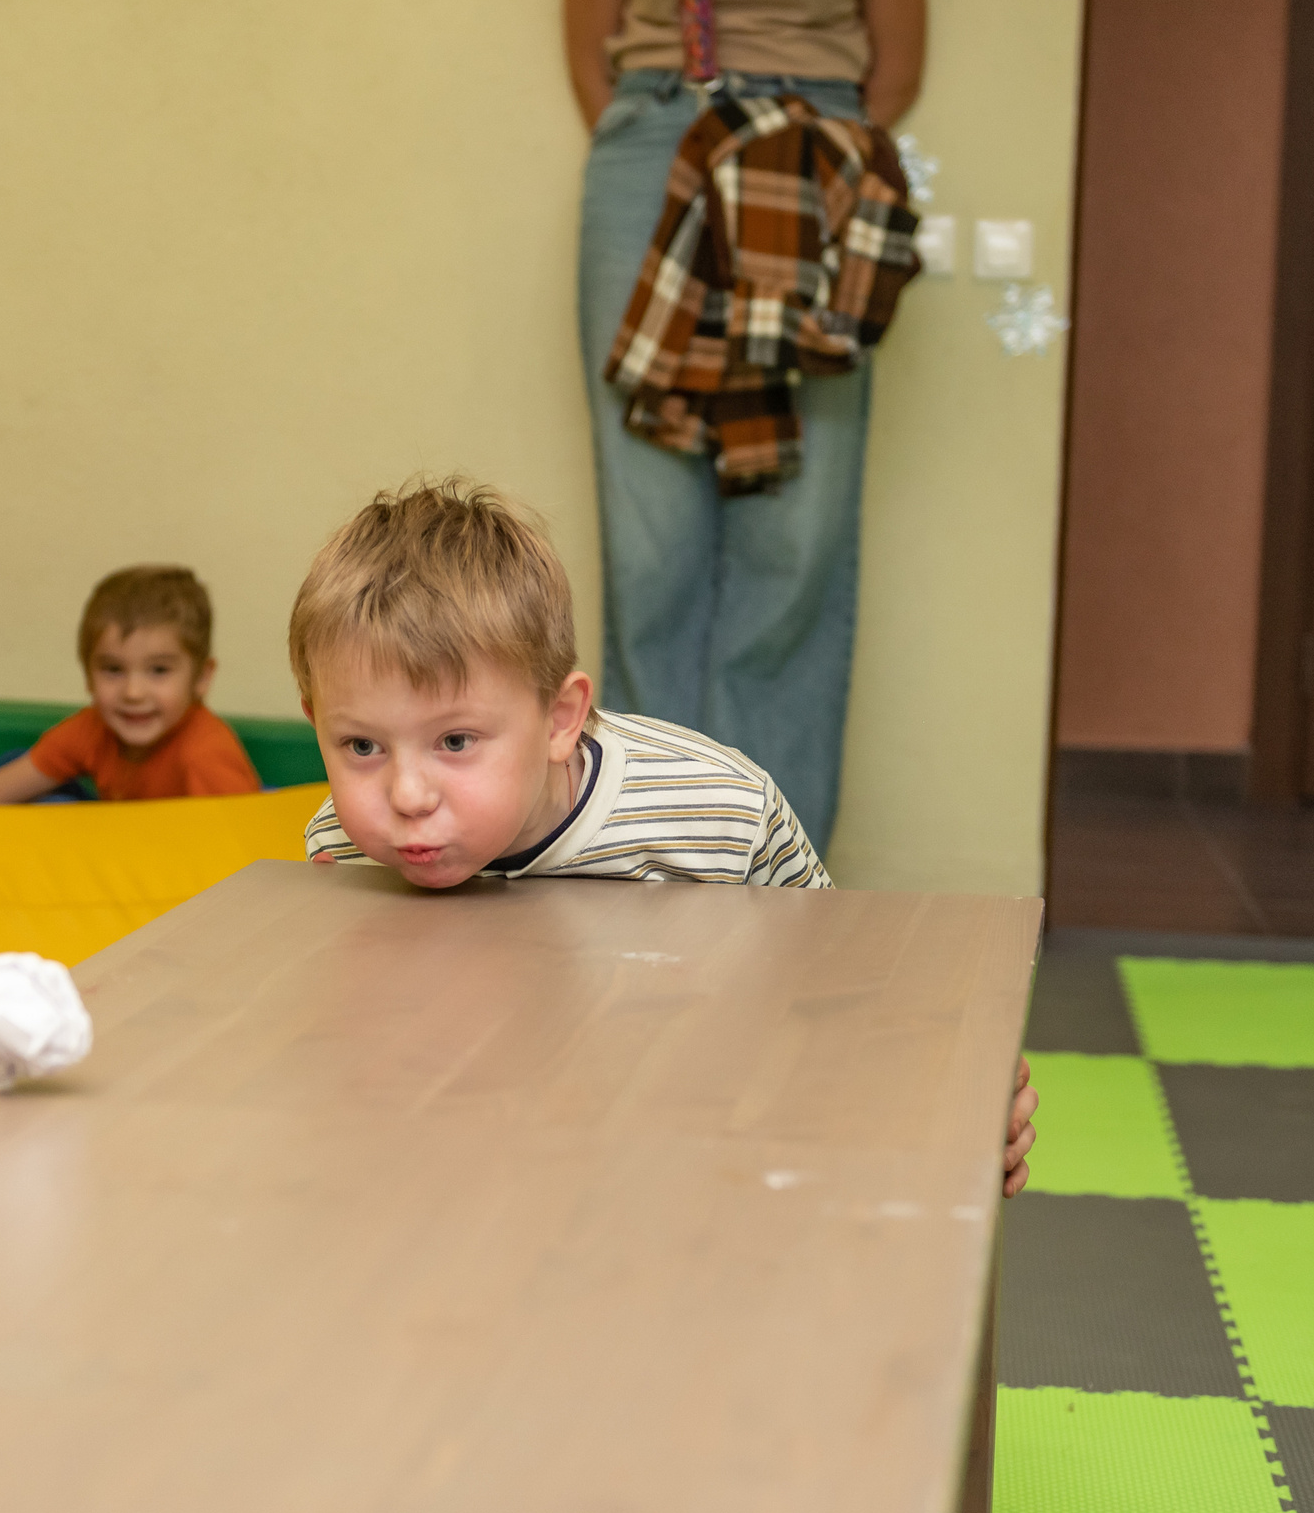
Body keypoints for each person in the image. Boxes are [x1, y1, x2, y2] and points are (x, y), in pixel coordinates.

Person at [289, 479, 1033, 1193]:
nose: (406, 796)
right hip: (494, 1149)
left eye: (454, 741)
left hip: (699, 1138)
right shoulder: (345, 847)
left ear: (558, 720)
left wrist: (949, 1095)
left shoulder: (718, 811)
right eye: (361, 747)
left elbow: (833, 988)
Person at [563, 0, 926, 842]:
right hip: (656, 137)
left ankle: (769, 859)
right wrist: (673, 141)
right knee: (650, 542)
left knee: (796, 539)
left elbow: (899, 63)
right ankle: (651, 845)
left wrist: (814, 162)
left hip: (814, 146)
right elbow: (589, 46)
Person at [0, 565, 261, 804]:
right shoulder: (91, 730)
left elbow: (240, 848)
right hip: (111, 848)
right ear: (87, 675)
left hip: (172, 865)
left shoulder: (205, 755)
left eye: (159, 670)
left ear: (202, 677)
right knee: (13, 764)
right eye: (113, 669)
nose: (133, 693)